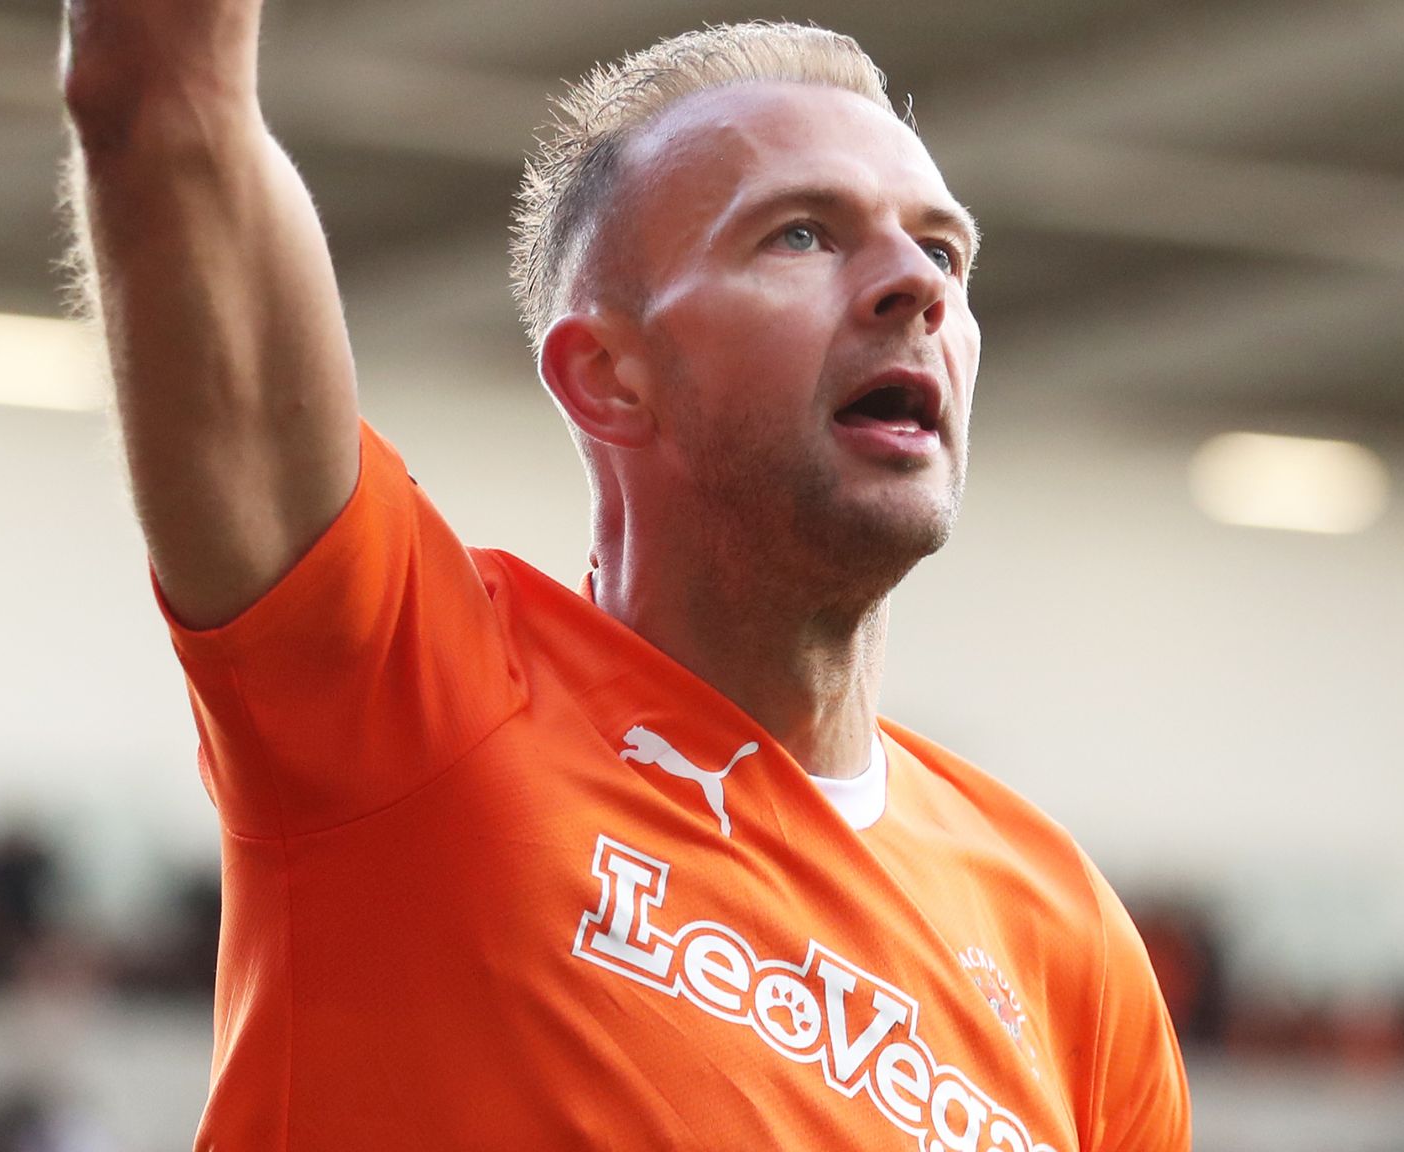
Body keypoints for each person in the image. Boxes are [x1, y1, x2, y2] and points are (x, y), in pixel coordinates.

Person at [61, 7, 1189, 1149]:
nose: (916, 285)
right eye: (801, 236)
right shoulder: (414, 701)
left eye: (942, 249)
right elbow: (164, 111)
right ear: (605, 376)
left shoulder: (1065, 937)